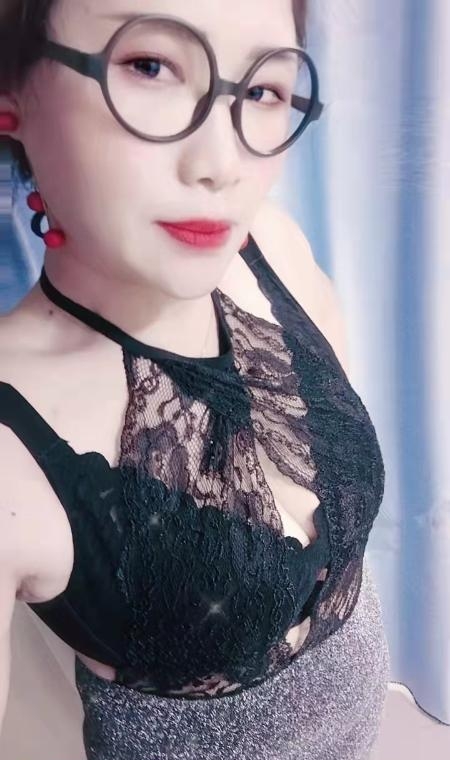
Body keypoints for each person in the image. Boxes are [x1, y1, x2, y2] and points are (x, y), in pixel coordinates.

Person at [0, 0, 391, 758]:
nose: (222, 163)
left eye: (264, 89)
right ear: (11, 92)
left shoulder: (274, 248)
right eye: (150, 66)